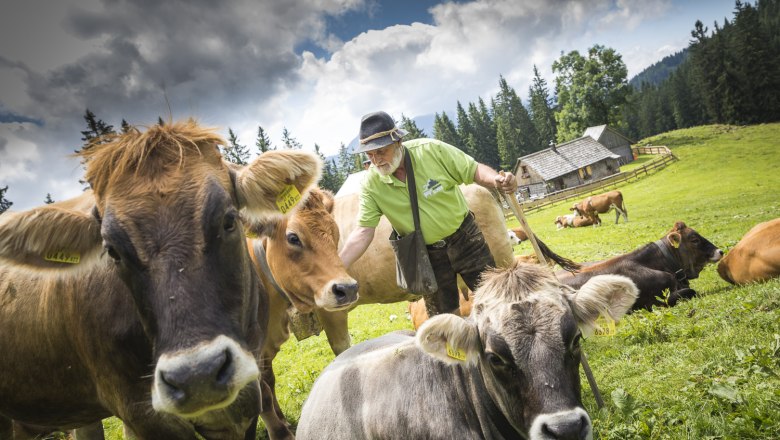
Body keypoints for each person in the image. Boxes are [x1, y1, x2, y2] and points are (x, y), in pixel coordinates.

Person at [339, 110, 516, 317]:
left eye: (381, 152)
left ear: (398, 142)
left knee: (498, 303)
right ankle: (456, 350)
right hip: (427, 256)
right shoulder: (371, 184)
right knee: (445, 321)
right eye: (370, 155)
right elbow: (363, 231)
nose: (376, 161)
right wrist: (337, 266)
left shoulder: (432, 151)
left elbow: (473, 170)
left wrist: (496, 180)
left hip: (466, 239)